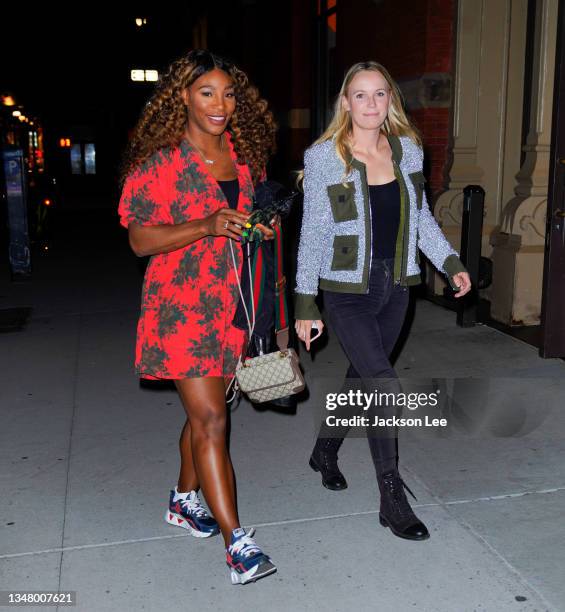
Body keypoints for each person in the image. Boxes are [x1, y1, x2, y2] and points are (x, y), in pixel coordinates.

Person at [118, 49, 278, 584]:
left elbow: (242, 226)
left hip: (234, 305)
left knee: (201, 412)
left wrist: (258, 230)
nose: (220, 104)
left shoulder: (243, 157)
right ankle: (239, 545)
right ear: (182, 96)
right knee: (213, 419)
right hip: (181, 308)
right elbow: (141, 240)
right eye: (207, 92)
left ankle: (184, 500)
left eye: (229, 93)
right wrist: (207, 225)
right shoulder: (159, 162)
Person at [294, 61, 471, 541]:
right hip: (347, 290)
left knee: (363, 376)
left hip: (397, 288)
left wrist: (450, 262)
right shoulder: (324, 156)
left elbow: (422, 222)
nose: (371, 105)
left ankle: (325, 450)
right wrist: (306, 304)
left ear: (391, 100)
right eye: (360, 95)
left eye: (379, 95)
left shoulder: (408, 151)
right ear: (345, 103)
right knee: (383, 382)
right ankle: (391, 496)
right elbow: (313, 234)